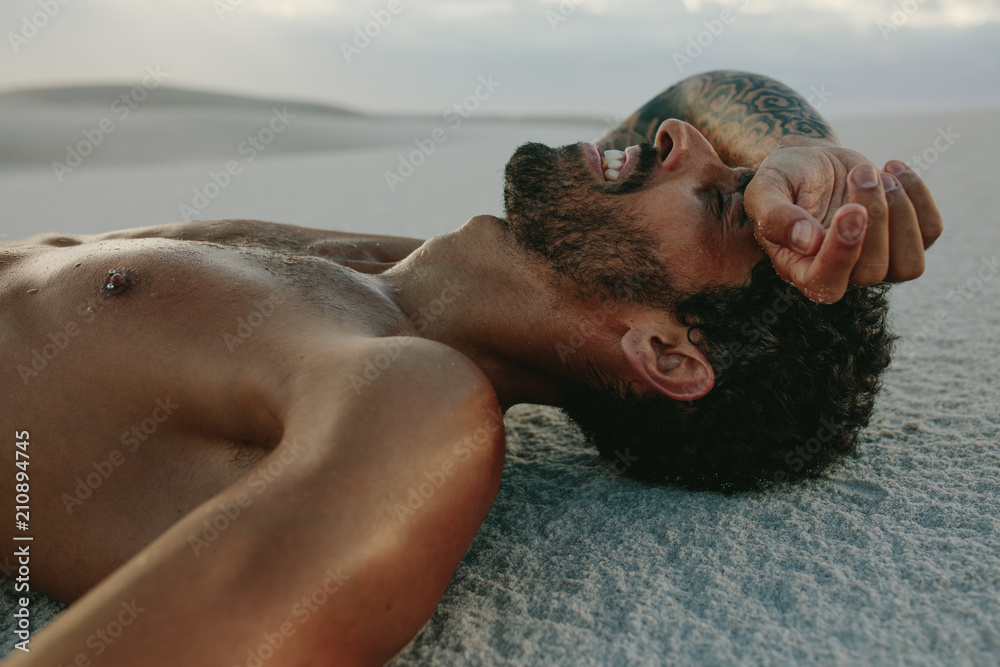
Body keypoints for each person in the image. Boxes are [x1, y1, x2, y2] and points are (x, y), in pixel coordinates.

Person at [0, 70, 940, 665]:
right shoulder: (390, 273)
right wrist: (804, 160)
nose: (682, 139)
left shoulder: (410, 398)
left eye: (721, 197)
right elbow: (710, 92)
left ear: (662, 350)